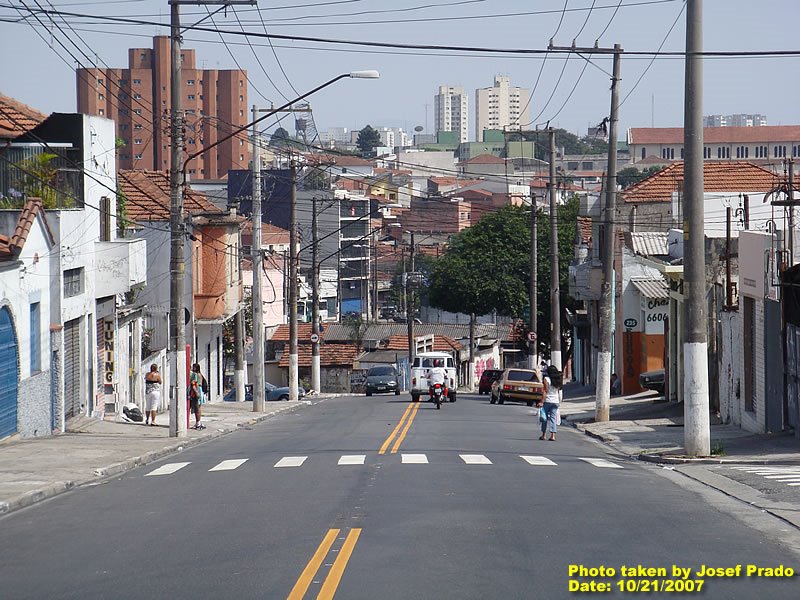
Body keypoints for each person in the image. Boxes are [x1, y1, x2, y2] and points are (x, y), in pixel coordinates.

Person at [539, 365, 562, 441]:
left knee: (544, 418)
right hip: (555, 401)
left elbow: (545, 391)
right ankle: (553, 435)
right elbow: (558, 391)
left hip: (548, 401)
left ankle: (544, 435)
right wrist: (559, 401)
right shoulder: (558, 380)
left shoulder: (546, 379)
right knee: (553, 418)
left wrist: (542, 402)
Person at [189, 363, 206, 430]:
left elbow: (194, 384)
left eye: (193, 368)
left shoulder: (196, 375)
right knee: (198, 407)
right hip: (199, 391)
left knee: (197, 408)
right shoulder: (200, 374)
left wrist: (195, 392)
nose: (192, 369)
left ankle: (198, 422)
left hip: (197, 391)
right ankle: (197, 422)